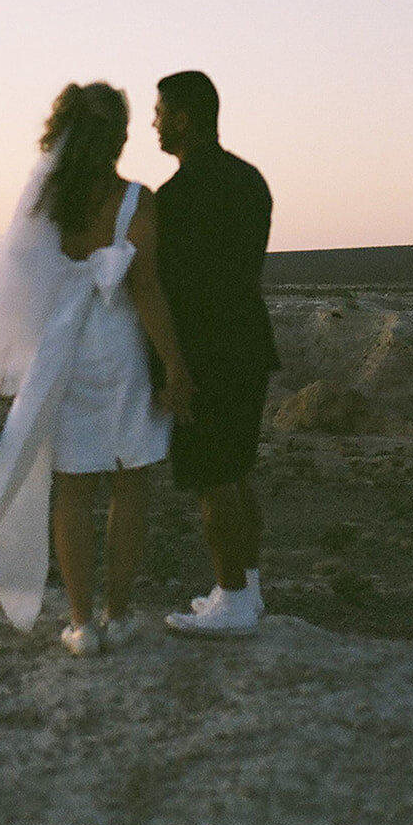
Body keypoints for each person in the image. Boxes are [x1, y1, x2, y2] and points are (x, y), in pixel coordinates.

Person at [0, 82, 192, 656]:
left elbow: (21, 284)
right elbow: (146, 288)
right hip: (122, 347)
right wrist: (174, 363)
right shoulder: (137, 200)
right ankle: (118, 612)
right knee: (131, 482)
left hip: (65, 353)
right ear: (114, 137)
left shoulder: (45, 202)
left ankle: (81, 623)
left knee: (72, 490)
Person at [154, 71, 279, 637]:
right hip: (249, 344)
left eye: (159, 112)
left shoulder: (177, 199)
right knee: (237, 471)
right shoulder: (250, 181)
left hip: (206, 354)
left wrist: (175, 367)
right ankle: (245, 591)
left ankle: (232, 599)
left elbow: (175, 291)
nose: (152, 123)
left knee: (214, 479)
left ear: (183, 118)